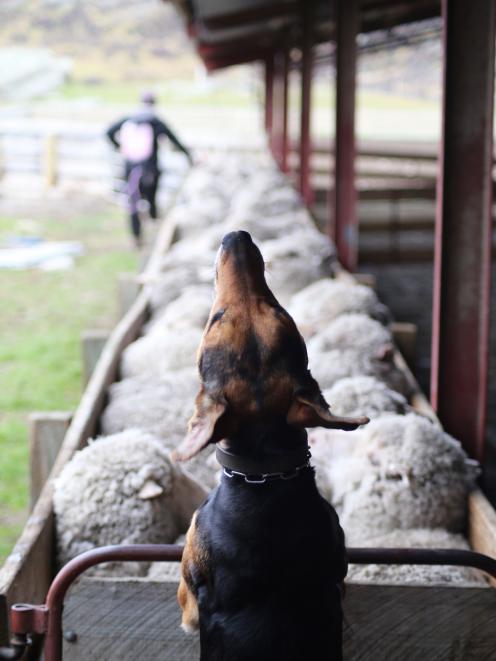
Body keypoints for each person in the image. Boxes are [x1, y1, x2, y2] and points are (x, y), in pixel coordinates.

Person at [106, 91, 193, 246]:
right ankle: (154, 230)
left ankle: (136, 236)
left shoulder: (129, 119)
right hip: (150, 170)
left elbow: (109, 132)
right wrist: (189, 157)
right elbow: (174, 139)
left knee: (133, 200)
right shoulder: (155, 121)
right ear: (154, 104)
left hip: (130, 168)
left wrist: (119, 147)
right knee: (151, 199)